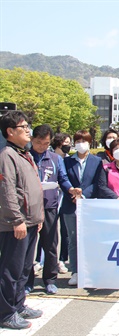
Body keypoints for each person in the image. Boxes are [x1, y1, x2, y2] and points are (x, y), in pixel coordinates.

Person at [0, 111, 45, 329]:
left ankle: (19, 305)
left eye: (28, 126)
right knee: (11, 270)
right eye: (24, 127)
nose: (28, 130)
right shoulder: (7, 155)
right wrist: (16, 219)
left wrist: (38, 217)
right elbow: (7, 190)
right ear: (10, 131)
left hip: (30, 221)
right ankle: (6, 312)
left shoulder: (23, 154)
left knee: (24, 269)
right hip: (15, 224)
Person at [25, 125, 75, 295]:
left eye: (46, 143)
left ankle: (50, 280)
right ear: (32, 140)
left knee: (51, 245)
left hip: (49, 206)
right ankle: (27, 282)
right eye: (39, 143)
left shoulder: (55, 159)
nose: (42, 146)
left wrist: (70, 190)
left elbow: (63, 178)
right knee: (28, 247)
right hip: (28, 208)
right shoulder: (25, 156)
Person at [61, 130, 103, 286]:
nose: (80, 144)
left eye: (83, 141)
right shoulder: (67, 161)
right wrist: (72, 192)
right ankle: (75, 271)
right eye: (77, 141)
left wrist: (83, 194)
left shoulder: (97, 161)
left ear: (89, 142)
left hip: (88, 204)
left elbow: (97, 183)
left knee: (89, 239)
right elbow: (63, 178)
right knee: (73, 240)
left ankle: (89, 270)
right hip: (70, 204)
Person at [49, 132, 71, 274]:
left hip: (65, 198)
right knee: (49, 231)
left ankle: (62, 259)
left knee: (65, 232)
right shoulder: (50, 157)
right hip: (51, 198)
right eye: (66, 143)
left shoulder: (68, 159)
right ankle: (41, 260)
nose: (68, 146)